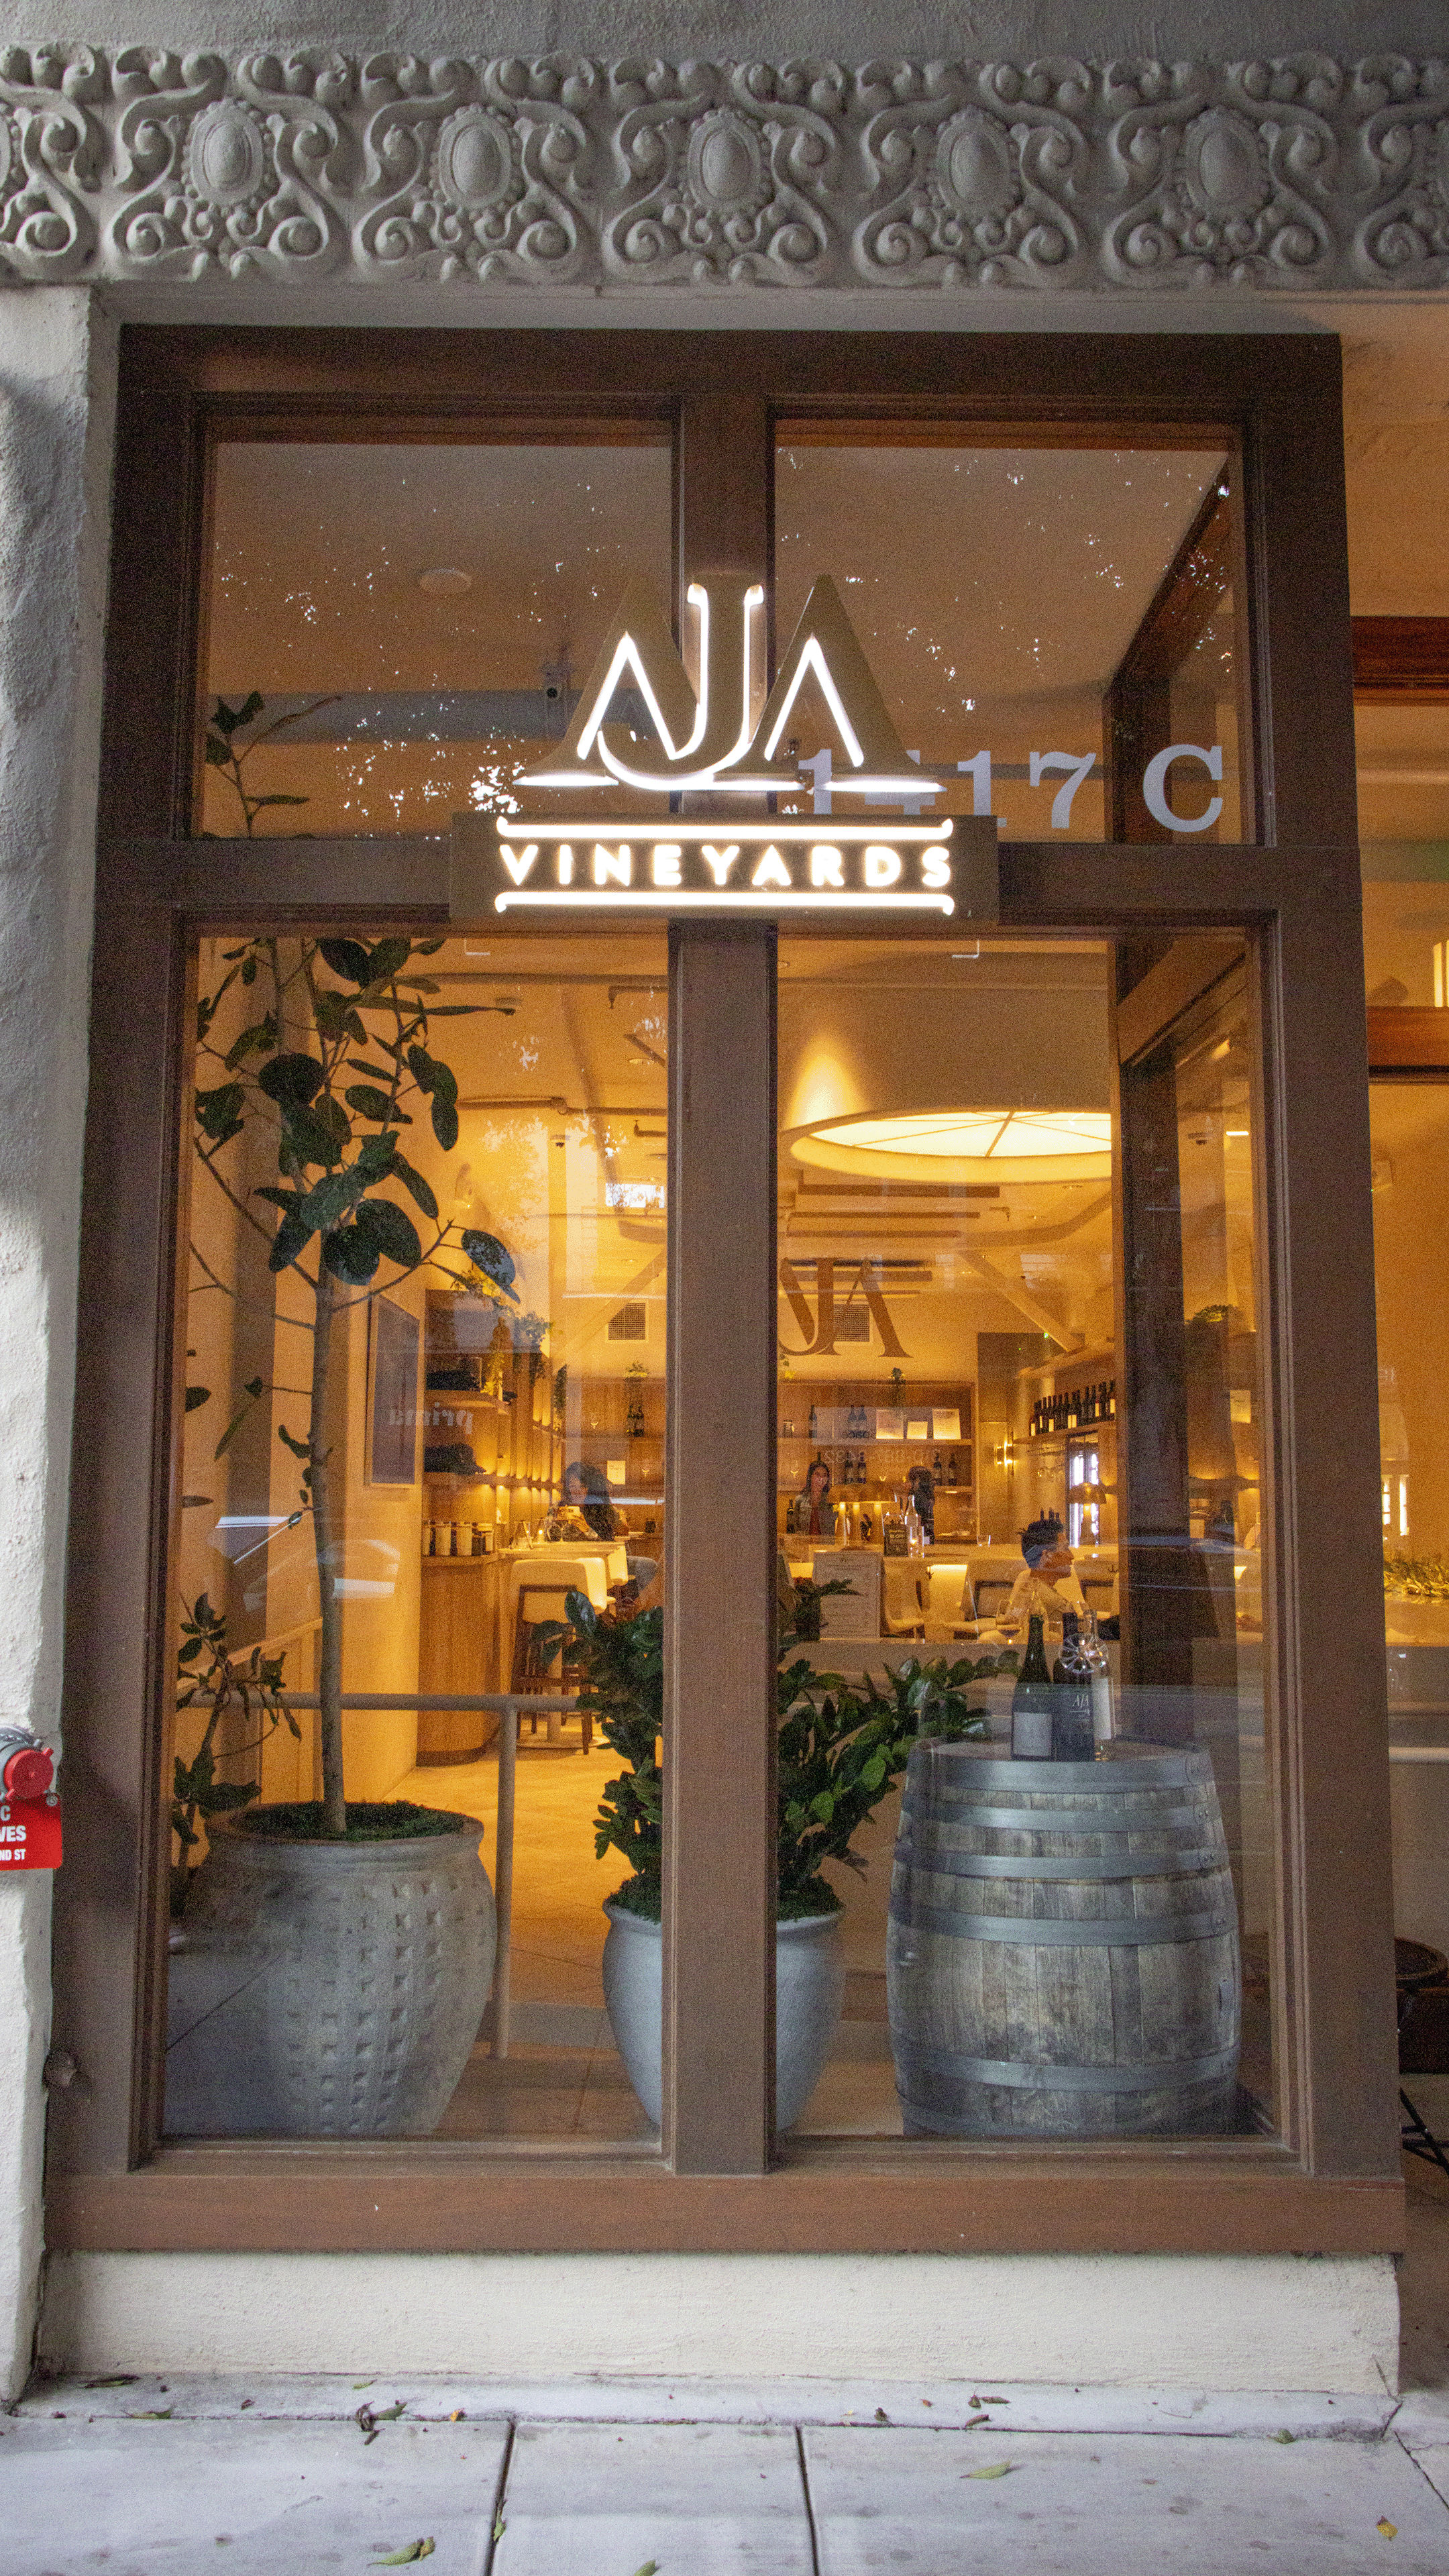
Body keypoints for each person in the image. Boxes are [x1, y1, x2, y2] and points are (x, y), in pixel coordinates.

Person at [1003, 1509, 1087, 1636]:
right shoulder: (1049, 1603)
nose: (1072, 1556)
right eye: (1065, 1548)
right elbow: (1080, 1638)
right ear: (1047, 1555)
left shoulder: (1030, 1588)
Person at [547, 1459, 626, 1544]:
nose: (578, 1491)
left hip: (596, 1556)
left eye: (583, 1486)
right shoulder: (557, 1508)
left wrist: (588, 1530)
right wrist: (556, 1524)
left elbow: (612, 1539)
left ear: (590, 1488)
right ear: (567, 1488)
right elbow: (546, 1537)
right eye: (573, 1486)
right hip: (565, 1555)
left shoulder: (602, 1509)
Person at [796, 1458, 831, 1539]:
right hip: (805, 1545)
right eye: (817, 1475)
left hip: (826, 1546)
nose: (821, 1479)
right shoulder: (800, 1500)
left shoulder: (831, 1500)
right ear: (810, 1477)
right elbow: (796, 1527)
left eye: (825, 1475)